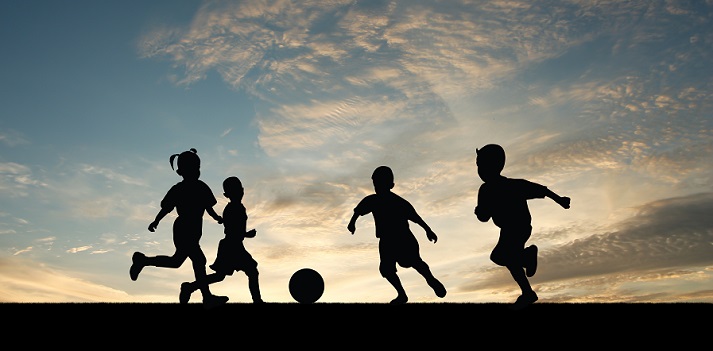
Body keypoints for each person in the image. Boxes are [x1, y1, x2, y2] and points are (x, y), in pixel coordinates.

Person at [474, 144, 570, 310]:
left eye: (482, 165)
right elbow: (484, 217)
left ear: (495, 165)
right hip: (511, 228)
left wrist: (560, 199)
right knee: (506, 258)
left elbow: (540, 189)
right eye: (478, 166)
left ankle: (527, 257)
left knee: (501, 256)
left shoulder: (507, 186)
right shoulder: (487, 190)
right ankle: (527, 291)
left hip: (518, 226)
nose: (480, 170)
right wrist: (480, 212)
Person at [129, 148, 228, 308]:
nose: (196, 172)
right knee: (199, 260)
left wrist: (217, 218)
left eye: (197, 168)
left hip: (193, 229)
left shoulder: (201, 187)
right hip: (184, 229)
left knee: (176, 262)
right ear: (182, 171)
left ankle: (143, 260)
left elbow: (208, 207)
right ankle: (206, 297)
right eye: (193, 168)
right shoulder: (179, 189)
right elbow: (167, 208)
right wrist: (156, 221)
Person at [347, 165, 447, 304]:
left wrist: (428, 230)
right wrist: (352, 223)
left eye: (380, 183)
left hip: (403, 237)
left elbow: (415, 217)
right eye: (375, 184)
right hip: (386, 240)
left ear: (391, 185)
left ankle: (430, 279)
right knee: (386, 269)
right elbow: (358, 210)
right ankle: (402, 295)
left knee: (414, 261)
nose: (377, 187)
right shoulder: (373, 200)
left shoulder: (398, 202)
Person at [179, 176, 264, 304]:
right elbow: (233, 231)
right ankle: (257, 301)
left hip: (232, 245)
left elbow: (235, 231)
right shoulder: (232, 209)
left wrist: (245, 234)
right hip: (231, 246)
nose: (238, 193)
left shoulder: (239, 207)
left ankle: (190, 287)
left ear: (243, 190)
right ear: (226, 195)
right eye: (234, 191)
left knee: (222, 276)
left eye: (239, 189)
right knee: (251, 270)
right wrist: (247, 234)